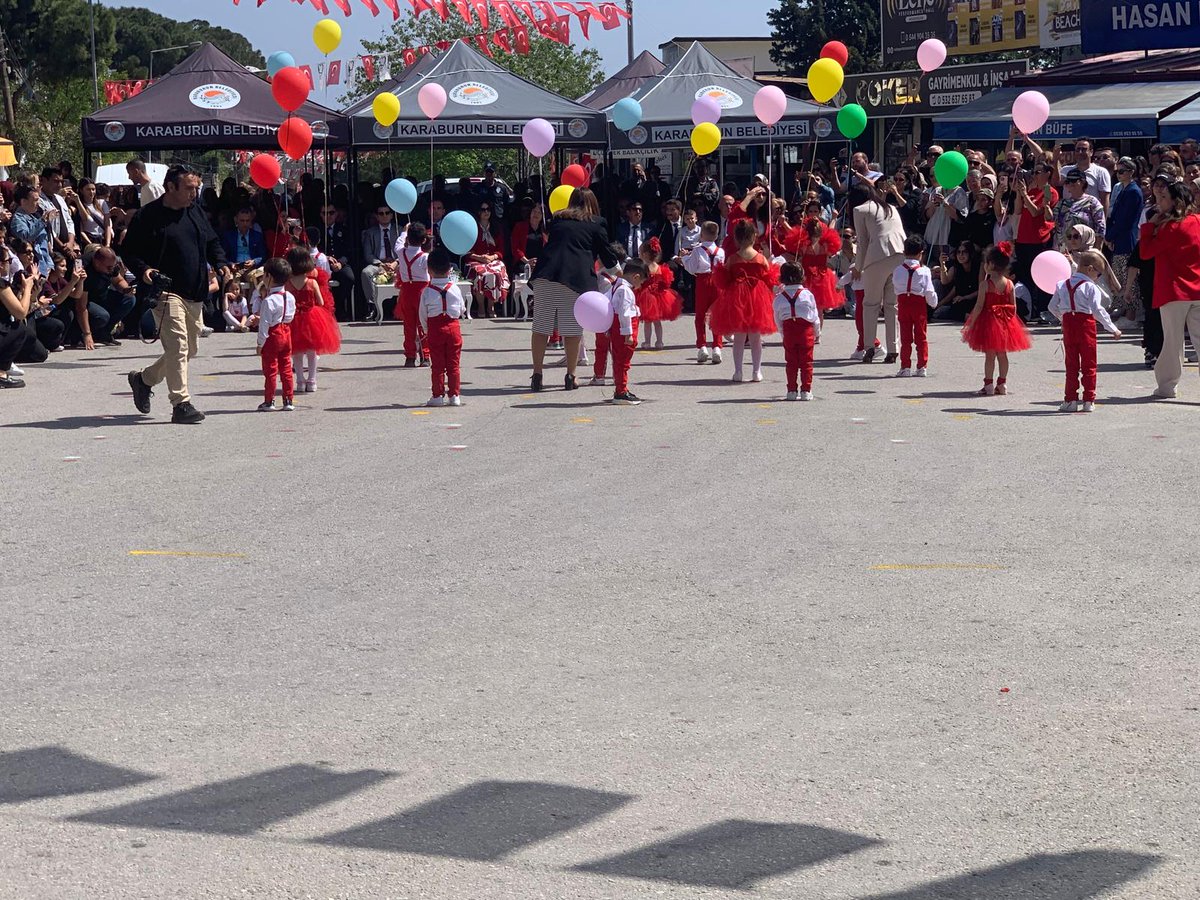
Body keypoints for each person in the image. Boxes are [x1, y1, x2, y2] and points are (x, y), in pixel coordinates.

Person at [123, 165, 229, 425]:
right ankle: (180, 404)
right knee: (178, 345)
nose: (195, 193)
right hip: (165, 291)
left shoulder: (195, 211)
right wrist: (144, 270)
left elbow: (212, 241)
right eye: (189, 188)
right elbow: (129, 251)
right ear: (170, 187)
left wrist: (221, 263)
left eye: (196, 188)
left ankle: (144, 379)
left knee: (189, 348)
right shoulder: (148, 216)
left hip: (195, 291)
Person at [528, 188, 617, 392]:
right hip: (574, 279)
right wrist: (620, 272)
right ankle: (570, 375)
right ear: (593, 203)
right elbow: (607, 255)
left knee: (541, 327)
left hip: (546, 275)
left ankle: (537, 374)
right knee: (572, 330)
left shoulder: (558, 219)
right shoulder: (597, 223)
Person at [1139, 180, 1200, 400]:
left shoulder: (1168, 227)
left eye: (1164, 198)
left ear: (1176, 202)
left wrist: (1149, 227)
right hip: (1197, 289)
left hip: (1174, 291)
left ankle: (1167, 386)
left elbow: (1145, 253)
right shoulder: (1198, 221)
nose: (1160, 201)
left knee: (1173, 342)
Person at [1047, 249, 1122, 413]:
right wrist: (1113, 328)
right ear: (1090, 269)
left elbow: (1052, 306)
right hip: (1085, 325)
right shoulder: (1091, 287)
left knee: (1071, 364)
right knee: (1089, 364)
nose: (1098, 277)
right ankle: (1089, 400)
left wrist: (1063, 317)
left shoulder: (1061, 284)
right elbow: (1098, 310)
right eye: (1098, 274)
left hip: (1069, 325)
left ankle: (1070, 400)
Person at [710, 219, 778, 384]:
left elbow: (724, 281)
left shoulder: (733, 259)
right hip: (757, 299)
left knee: (739, 338)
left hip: (737, 300)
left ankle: (738, 371)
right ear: (754, 237)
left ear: (736, 238)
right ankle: (756, 371)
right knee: (755, 338)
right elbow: (770, 279)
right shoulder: (761, 258)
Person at [961, 242, 1032, 396]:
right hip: (1005, 322)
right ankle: (1002, 383)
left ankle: (988, 384)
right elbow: (1013, 307)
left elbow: (979, 306)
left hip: (988, 323)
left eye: (986, 263)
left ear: (991, 264)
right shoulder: (1010, 284)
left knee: (990, 356)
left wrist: (971, 322)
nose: (984, 266)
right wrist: (1009, 323)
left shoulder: (985, 285)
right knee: (1002, 354)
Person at [851, 180, 907, 364]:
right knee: (892, 306)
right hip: (899, 254)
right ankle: (893, 349)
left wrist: (858, 267)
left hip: (876, 257)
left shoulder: (859, 210)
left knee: (871, 304)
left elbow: (862, 242)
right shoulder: (891, 208)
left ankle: (869, 348)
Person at [286, 246, 341, 393]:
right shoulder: (312, 282)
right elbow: (321, 302)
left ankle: (299, 381)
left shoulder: (288, 283)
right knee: (312, 352)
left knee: (296, 352)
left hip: (293, 319)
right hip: (311, 318)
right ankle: (312, 381)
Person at [419, 249, 466, 408]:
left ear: (429, 270)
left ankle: (437, 395)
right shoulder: (455, 288)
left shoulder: (427, 291)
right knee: (454, 364)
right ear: (449, 270)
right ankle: (455, 395)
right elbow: (462, 309)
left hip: (435, 329)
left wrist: (426, 330)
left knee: (437, 365)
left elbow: (422, 314)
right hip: (453, 328)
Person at [1012, 163, 1059, 322]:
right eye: (1033, 172)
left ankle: (1041, 310)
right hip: (1023, 239)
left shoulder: (1050, 192)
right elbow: (1018, 210)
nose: (1034, 175)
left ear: (1047, 173)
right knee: (1025, 277)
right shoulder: (1031, 191)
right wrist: (1020, 193)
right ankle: (1027, 310)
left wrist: (1025, 195)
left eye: (1038, 172)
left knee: (1039, 277)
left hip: (1038, 240)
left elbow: (1035, 212)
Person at [600, 253, 644, 405]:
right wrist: (628, 333)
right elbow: (624, 313)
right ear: (636, 277)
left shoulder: (615, 286)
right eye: (641, 282)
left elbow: (608, 307)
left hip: (617, 327)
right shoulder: (625, 290)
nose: (640, 286)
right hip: (624, 328)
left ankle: (621, 388)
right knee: (623, 360)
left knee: (620, 360)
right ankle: (621, 391)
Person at [892, 235, 939, 378]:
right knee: (921, 336)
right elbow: (929, 290)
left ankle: (905, 367)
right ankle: (922, 366)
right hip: (918, 305)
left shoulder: (897, 270)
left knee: (905, 338)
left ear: (904, 252)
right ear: (921, 253)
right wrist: (933, 303)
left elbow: (895, 287)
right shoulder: (924, 271)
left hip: (903, 303)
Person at [1106, 158, 1144, 329]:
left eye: (1122, 171)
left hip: (1127, 238)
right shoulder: (1124, 189)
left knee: (1129, 278)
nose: (1118, 174)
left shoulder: (1133, 191)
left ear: (1131, 172)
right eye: (1117, 172)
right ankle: (1123, 307)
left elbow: (1124, 219)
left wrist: (1110, 236)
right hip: (1120, 237)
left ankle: (1131, 315)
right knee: (1120, 275)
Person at [773, 262, 819, 401]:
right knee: (807, 362)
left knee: (791, 362)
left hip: (789, 331)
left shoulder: (779, 297)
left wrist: (782, 332)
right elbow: (815, 316)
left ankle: (791, 390)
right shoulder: (807, 294)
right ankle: (806, 390)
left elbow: (777, 318)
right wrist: (817, 333)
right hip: (806, 331)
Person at [255, 257, 297, 412]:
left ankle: (269, 400)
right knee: (286, 368)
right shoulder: (290, 297)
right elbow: (291, 316)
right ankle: (288, 399)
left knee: (271, 370)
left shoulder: (269, 300)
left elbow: (264, 325)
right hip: (286, 332)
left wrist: (260, 343)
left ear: (269, 277)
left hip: (273, 335)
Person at [682, 220, 725, 364]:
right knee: (717, 315)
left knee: (700, 315)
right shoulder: (721, 251)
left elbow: (692, 268)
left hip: (703, 282)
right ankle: (717, 347)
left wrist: (684, 258)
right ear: (716, 236)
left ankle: (702, 346)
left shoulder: (698, 250)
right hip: (717, 282)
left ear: (701, 235)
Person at [82, 246, 137, 346]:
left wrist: (126, 289)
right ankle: (85, 334)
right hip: (85, 300)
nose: (111, 270)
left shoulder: (110, 265)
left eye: (112, 267)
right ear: (97, 262)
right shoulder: (84, 267)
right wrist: (87, 333)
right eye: (108, 268)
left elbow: (119, 281)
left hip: (102, 296)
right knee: (102, 316)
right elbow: (81, 306)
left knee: (129, 299)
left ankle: (105, 333)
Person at [634, 237, 682, 350]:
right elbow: (666, 282)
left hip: (646, 297)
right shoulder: (660, 267)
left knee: (647, 322)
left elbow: (640, 281)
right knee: (657, 322)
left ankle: (647, 342)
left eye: (640, 253)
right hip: (659, 296)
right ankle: (659, 341)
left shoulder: (644, 268)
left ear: (645, 254)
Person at [464, 200, 509, 319]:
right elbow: (466, 250)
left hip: (492, 259)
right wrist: (479, 257)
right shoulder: (472, 228)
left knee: (496, 272)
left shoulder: (496, 228)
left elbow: (501, 250)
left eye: (488, 209)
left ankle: (491, 306)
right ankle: (481, 306)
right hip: (475, 259)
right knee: (481, 273)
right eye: (483, 210)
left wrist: (492, 257)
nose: (486, 212)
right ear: (479, 212)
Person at [395, 222, 431, 368]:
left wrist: (405, 231)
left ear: (408, 239)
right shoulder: (425, 257)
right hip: (422, 291)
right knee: (423, 324)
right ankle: (425, 356)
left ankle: (410, 357)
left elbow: (398, 242)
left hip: (406, 291)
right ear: (424, 240)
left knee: (408, 325)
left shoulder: (401, 252)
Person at [0, 256, 38, 387]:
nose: (10, 264)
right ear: (1, 264)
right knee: (20, 329)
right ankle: (1, 373)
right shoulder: (1, 285)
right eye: (8, 261)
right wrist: (27, 288)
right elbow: (20, 313)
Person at [361, 205, 400, 323]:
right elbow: (368, 254)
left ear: (391, 215)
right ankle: (372, 306)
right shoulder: (370, 232)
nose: (384, 216)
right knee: (366, 272)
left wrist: (396, 262)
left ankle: (402, 307)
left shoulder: (399, 230)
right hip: (379, 263)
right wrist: (381, 264)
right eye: (381, 213)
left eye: (387, 213)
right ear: (377, 216)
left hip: (397, 263)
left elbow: (405, 250)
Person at [1054, 170, 1106, 249]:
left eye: (1073, 181)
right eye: (1068, 182)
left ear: (1083, 183)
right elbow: (1051, 220)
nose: (1070, 184)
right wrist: (1046, 205)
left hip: (1085, 248)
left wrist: (1097, 248)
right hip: (1064, 248)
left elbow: (1100, 227)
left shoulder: (1092, 202)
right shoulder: (1061, 203)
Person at [9, 185, 52, 275]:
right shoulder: (17, 220)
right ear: (23, 201)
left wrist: (50, 264)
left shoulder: (34, 218)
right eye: (35, 200)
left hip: (44, 265)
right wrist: (42, 221)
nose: (38, 203)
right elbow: (25, 237)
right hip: (33, 266)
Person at [221, 207, 266, 274]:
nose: (245, 224)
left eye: (247, 221)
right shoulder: (228, 236)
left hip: (252, 269)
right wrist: (230, 264)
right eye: (242, 221)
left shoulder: (257, 236)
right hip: (235, 269)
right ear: (236, 220)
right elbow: (223, 256)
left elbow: (263, 256)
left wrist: (254, 262)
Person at [510, 204, 547, 274]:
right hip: (523, 262)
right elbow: (515, 248)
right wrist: (527, 261)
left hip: (540, 263)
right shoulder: (519, 226)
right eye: (534, 211)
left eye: (539, 212)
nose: (536, 214)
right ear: (530, 212)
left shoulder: (545, 230)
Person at [73, 179, 111, 247]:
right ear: (81, 191)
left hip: (102, 238)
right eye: (88, 189)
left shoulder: (101, 203)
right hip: (89, 239)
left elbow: (107, 224)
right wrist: (91, 245)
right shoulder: (78, 206)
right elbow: (81, 229)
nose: (91, 192)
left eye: (93, 189)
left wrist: (108, 244)